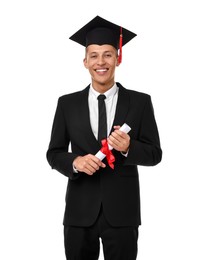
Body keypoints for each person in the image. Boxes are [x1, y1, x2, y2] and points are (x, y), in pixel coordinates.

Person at [46, 15, 162, 260]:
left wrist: (130, 147)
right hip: (79, 214)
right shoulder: (67, 104)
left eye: (108, 54)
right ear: (85, 61)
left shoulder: (140, 102)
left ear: (118, 58)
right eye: (94, 55)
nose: (101, 61)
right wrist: (75, 163)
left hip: (122, 214)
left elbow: (155, 154)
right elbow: (54, 153)